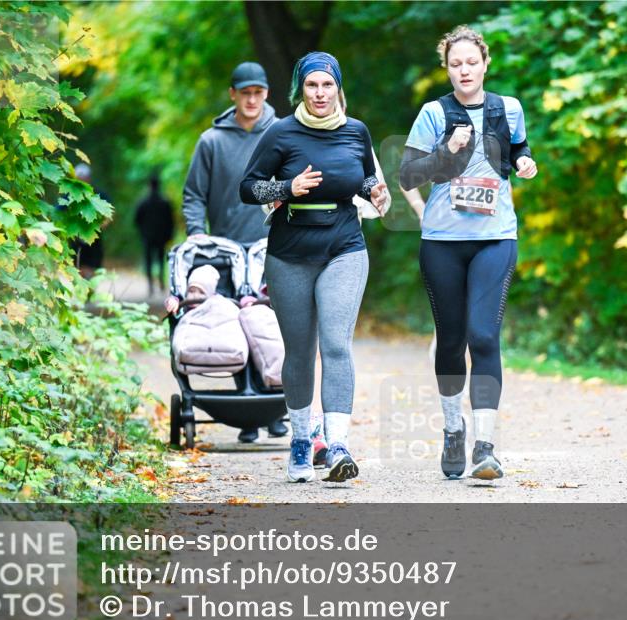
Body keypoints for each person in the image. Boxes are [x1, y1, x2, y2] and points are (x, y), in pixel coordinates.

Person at [240, 51, 389, 484]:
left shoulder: (356, 131)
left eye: (327, 85)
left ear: (338, 88)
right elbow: (248, 188)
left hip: (344, 246)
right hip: (290, 252)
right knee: (300, 352)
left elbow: (360, 178)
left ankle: (339, 443)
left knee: (337, 345)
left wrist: (375, 192)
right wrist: (288, 186)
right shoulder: (280, 133)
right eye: (312, 85)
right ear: (300, 89)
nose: (320, 93)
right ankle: (303, 439)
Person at [399, 25, 537, 480]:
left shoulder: (507, 108)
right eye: (455, 64)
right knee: (453, 340)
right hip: (442, 241)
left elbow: (518, 147)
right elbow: (408, 176)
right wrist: (445, 151)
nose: (464, 70)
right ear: (447, 68)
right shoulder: (434, 112)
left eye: (471, 62)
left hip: (496, 236)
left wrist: (523, 162)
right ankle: (453, 429)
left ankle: (485, 446)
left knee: (484, 336)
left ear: (485, 63)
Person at [182, 61, 286, 442]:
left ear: (266, 95)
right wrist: (197, 236)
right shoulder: (212, 141)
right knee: (235, 328)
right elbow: (194, 195)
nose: (252, 100)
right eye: (246, 93)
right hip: (223, 250)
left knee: (269, 328)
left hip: (269, 248)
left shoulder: (280, 133)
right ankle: (249, 417)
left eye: (258, 93)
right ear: (233, 95)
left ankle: (275, 407)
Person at [134, 175, 175, 294]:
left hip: (147, 236)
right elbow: (171, 221)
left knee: (148, 260)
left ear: (149, 185)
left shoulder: (143, 202)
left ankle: (150, 285)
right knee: (161, 260)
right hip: (161, 237)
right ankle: (161, 281)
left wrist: (142, 232)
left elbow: (136, 220)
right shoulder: (165, 202)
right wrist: (169, 235)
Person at [69, 163, 108, 278]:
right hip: (76, 237)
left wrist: (99, 226)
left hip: (93, 237)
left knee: (93, 266)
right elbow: (60, 212)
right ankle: (83, 290)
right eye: (78, 179)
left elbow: (110, 214)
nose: (81, 182)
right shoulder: (69, 195)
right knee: (78, 266)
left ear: (89, 179)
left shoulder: (98, 194)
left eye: (84, 179)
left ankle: (90, 289)